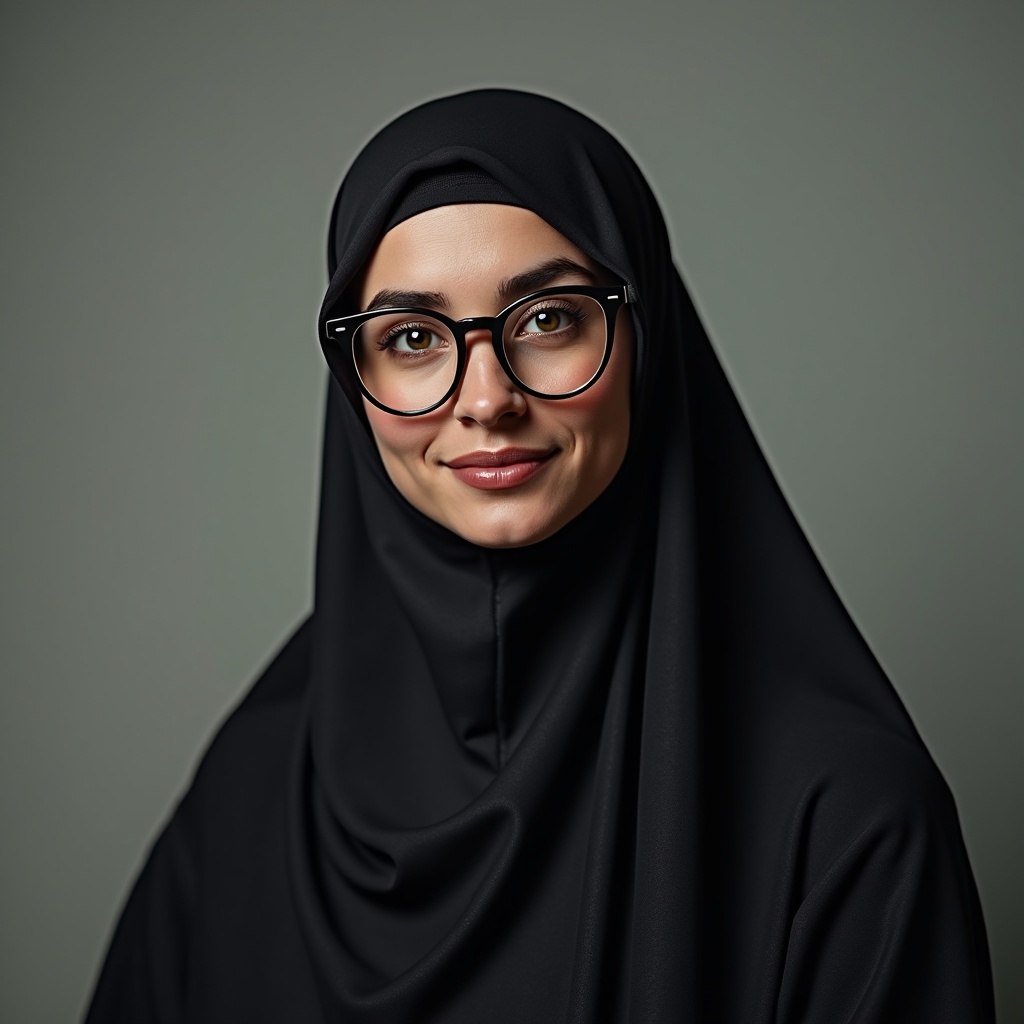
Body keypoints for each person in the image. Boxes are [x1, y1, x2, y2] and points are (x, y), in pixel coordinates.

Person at [84, 88, 995, 1023]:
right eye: (410, 338)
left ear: (644, 337)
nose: (485, 399)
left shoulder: (844, 816)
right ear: (351, 384)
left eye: (550, 319)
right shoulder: (255, 783)